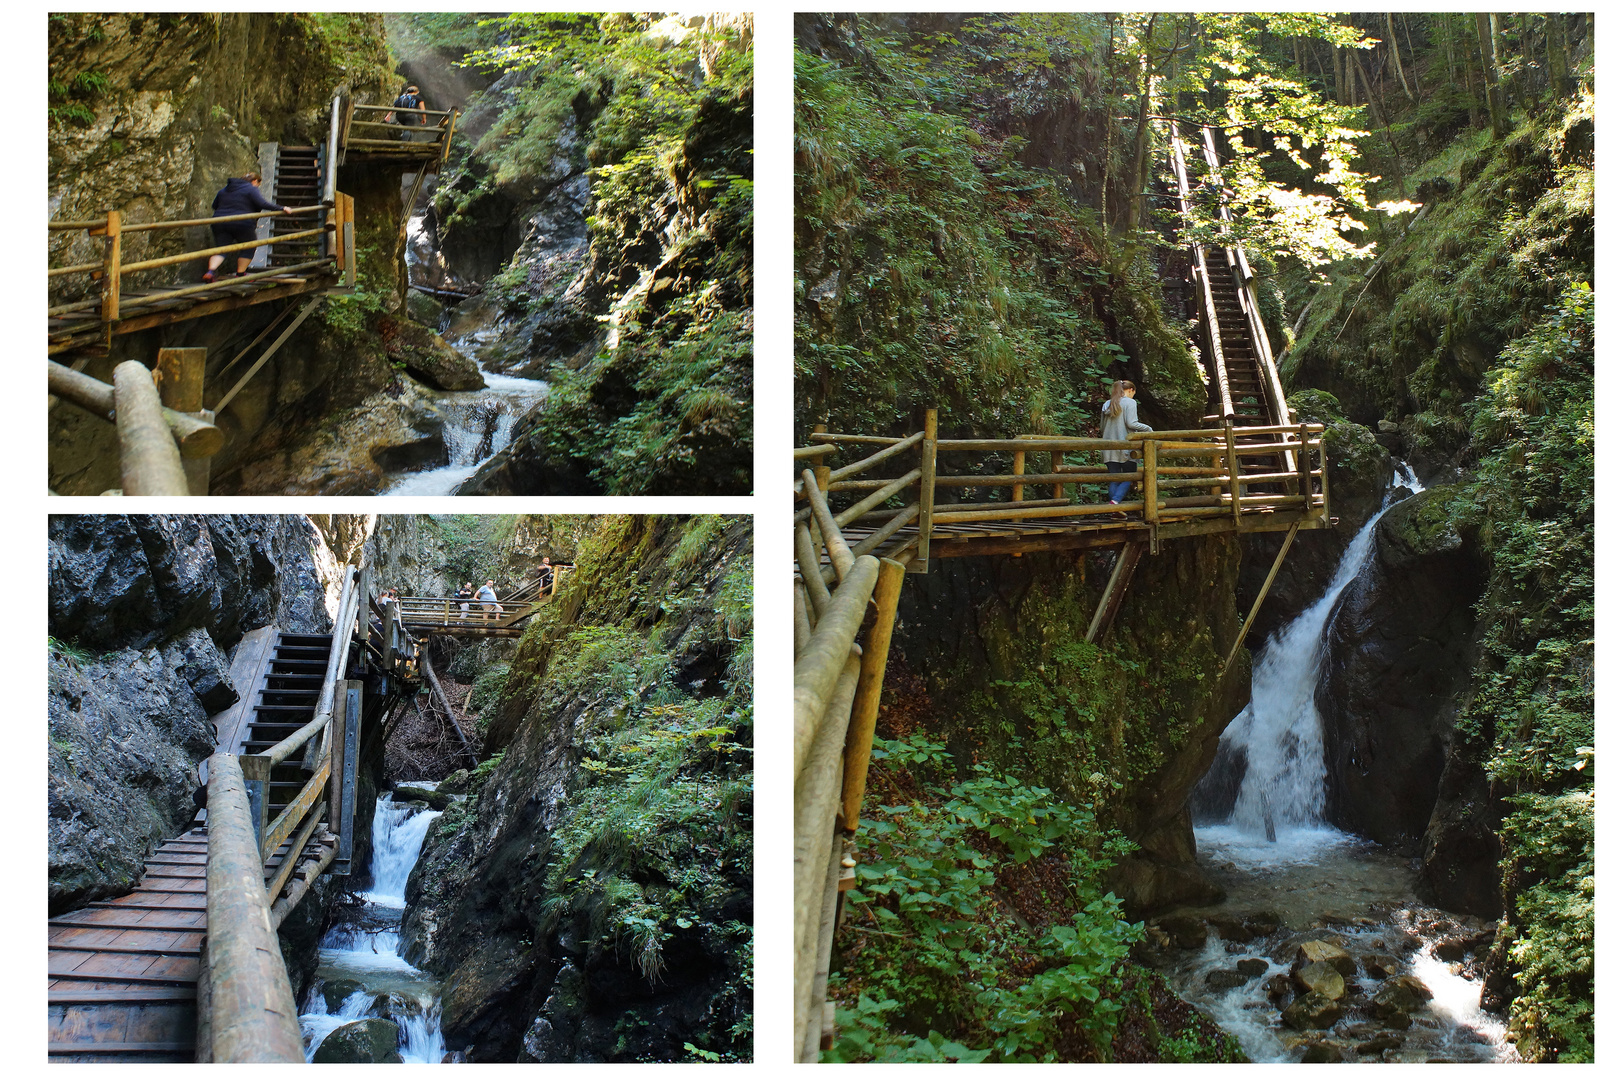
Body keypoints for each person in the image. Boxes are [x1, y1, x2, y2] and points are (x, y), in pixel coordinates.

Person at [204, 172, 294, 282]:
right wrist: (281, 208)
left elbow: (215, 205)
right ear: (255, 181)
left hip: (219, 222)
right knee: (249, 247)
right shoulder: (251, 189)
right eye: (258, 185)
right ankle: (240, 274)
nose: (258, 187)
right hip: (242, 223)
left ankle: (210, 272)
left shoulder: (224, 189)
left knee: (221, 249)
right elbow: (262, 204)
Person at [1100, 379, 1153, 511]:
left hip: (1108, 447)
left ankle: (1113, 509)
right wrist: (1148, 429)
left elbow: (1102, 427)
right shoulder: (1130, 402)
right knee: (1129, 476)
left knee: (1115, 478)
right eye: (1133, 393)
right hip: (1125, 446)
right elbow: (1131, 423)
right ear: (1131, 390)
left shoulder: (1107, 404)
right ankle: (1115, 502)